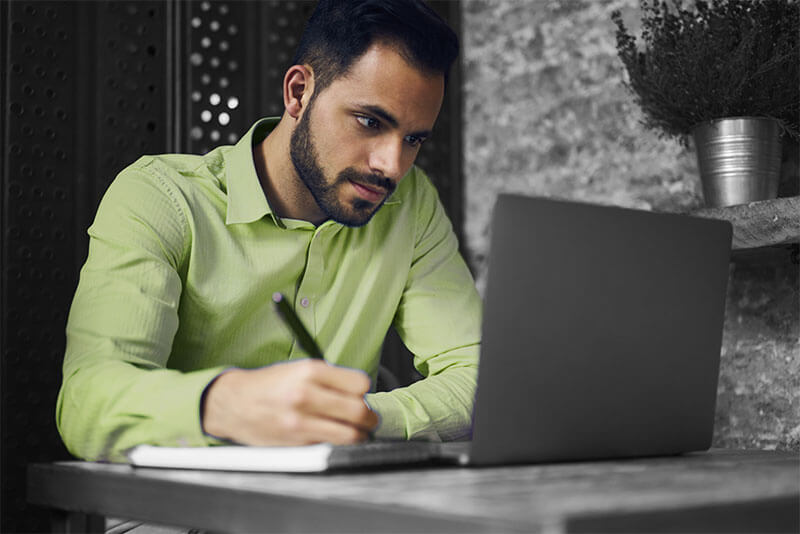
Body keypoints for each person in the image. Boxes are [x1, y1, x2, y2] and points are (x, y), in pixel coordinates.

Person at [57, 0, 482, 462]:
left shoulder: (409, 204)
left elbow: (479, 375)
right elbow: (87, 407)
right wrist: (226, 406)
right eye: (369, 122)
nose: (391, 165)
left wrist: (356, 420)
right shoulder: (161, 197)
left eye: (413, 139)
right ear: (299, 92)